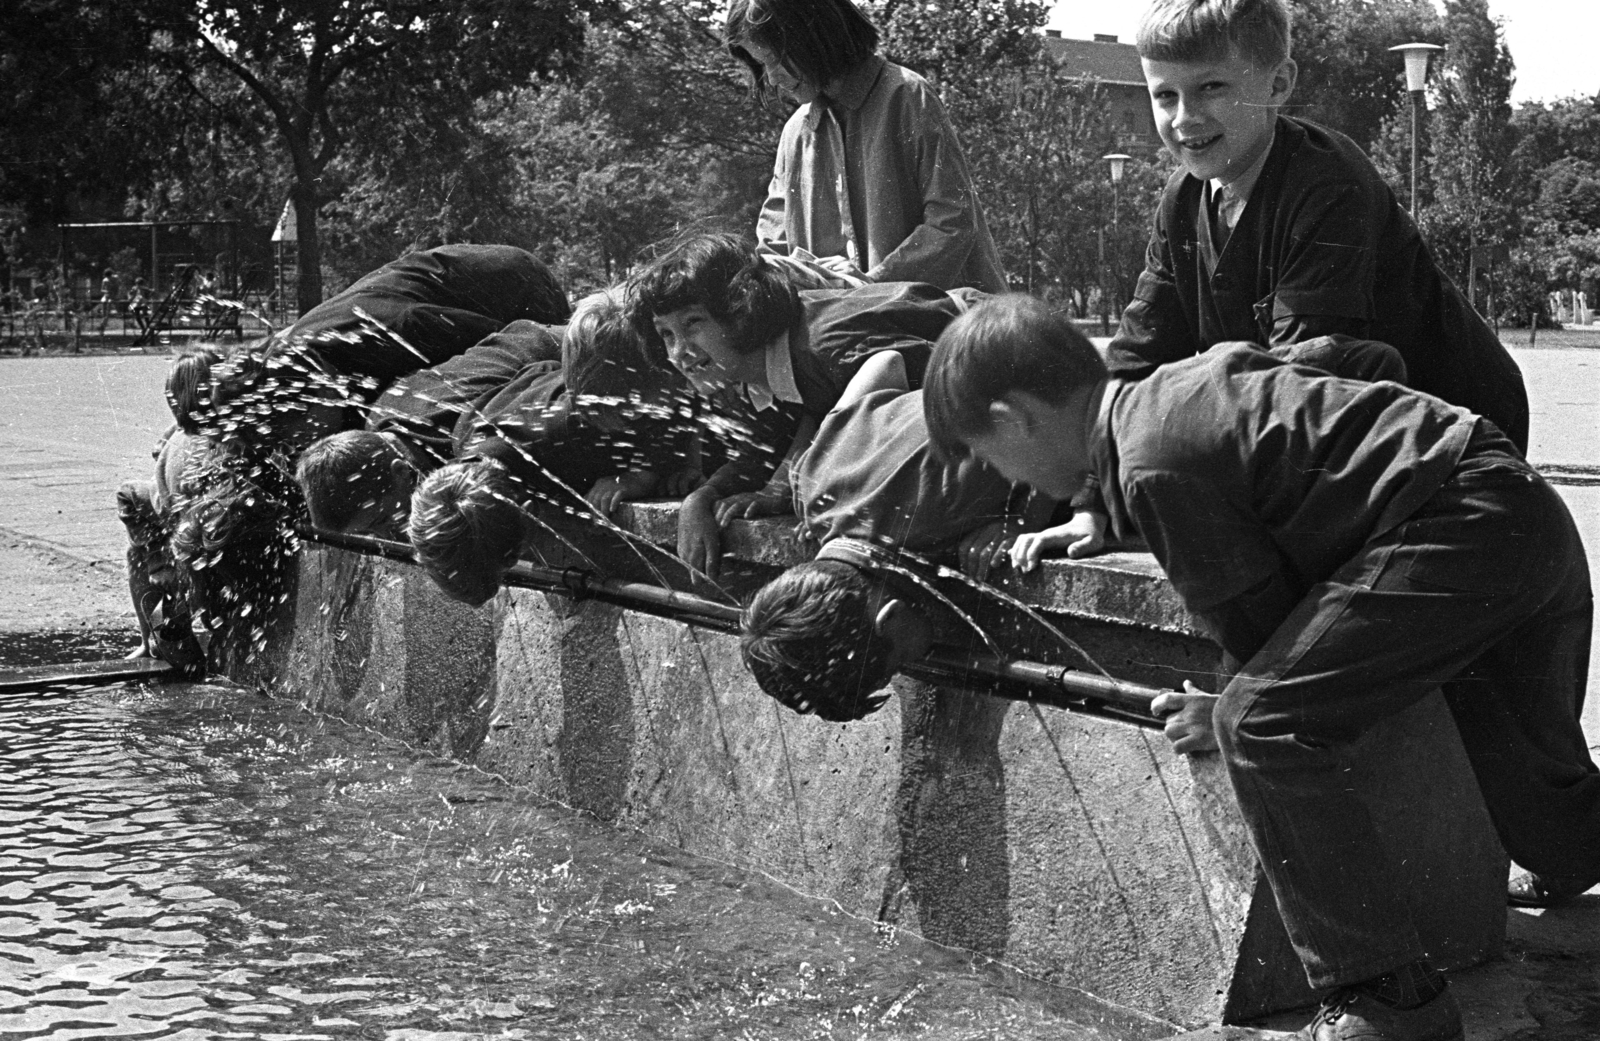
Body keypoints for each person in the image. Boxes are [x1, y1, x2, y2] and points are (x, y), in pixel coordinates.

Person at [923, 294, 1598, 1041]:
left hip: (1461, 525)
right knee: (1553, 829)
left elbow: (1261, 633)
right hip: (1518, 509)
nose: (1005, 477)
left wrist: (1217, 703)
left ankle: (1389, 999)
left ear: (1015, 416)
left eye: (989, 455)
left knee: (1258, 722)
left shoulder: (1154, 464)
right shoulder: (1167, 397)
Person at [1110, 0, 1527, 452]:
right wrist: (1090, 497)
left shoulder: (1329, 185)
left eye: (1211, 87)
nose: (1184, 117)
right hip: (1337, 427)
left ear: (1279, 83)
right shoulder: (1182, 200)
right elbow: (1138, 358)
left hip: (1453, 434)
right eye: (1165, 95)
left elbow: (1301, 381)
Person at [627, 232, 971, 578]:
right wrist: (702, 499)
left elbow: (888, 370)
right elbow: (771, 443)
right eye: (666, 334)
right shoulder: (755, 368)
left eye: (693, 323)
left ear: (739, 309)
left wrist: (811, 481)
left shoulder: (817, 347)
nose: (678, 351)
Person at [740, 348, 1046, 720]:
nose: (904, 669)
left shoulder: (952, 501)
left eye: (894, 665)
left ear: (892, 618)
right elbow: (885, 364)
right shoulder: (810, 485)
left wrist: (1026, 517)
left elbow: (1067, 401)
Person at [407, 290, 702, 605]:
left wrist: (638, 476)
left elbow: (666, 406)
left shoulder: (578, 440)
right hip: (562, 373)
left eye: (511, 562)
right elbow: (534, 373)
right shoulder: (465, 435)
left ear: (531, 517)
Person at [726, 0, 1007, 294]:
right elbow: (773, 251)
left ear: (813, 37)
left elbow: (952, 223)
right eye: (760, 65)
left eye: (773, 59)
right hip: (844, 330)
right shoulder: (795, 134)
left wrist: (870, 285)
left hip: (952, 326)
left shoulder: (908, 96)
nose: (770, 78)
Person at [294, 320, 564, 538]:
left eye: (381, 520)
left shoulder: (458, 447)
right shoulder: (378, 424)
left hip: (567, 354)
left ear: (401, 471)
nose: (384, 536)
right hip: (525, 335)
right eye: (371, 530)